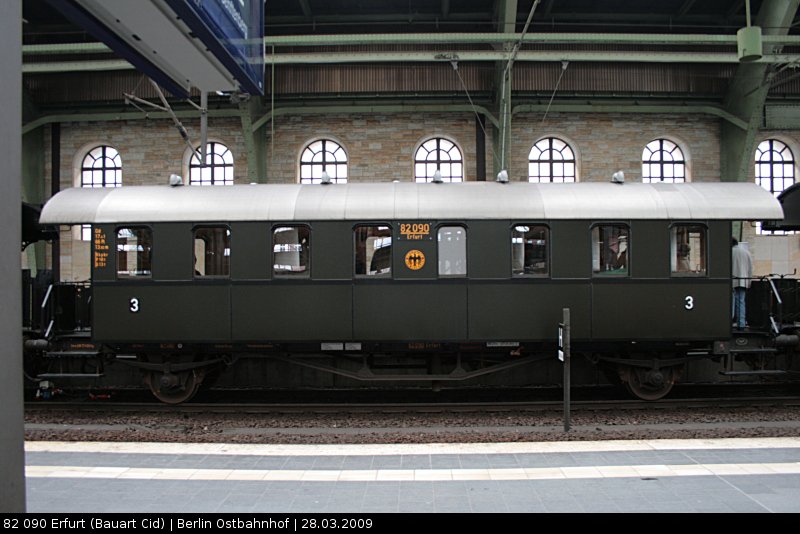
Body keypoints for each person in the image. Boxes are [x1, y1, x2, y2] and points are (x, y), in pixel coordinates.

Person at [731, 238, 753, 328]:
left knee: (730, 302)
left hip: (731, 281)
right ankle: (741, 323)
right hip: (743, 280)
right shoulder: (746, 252)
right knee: (741, 302)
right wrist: (749, 281)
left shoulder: (729, 252)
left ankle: (729, 322)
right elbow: (750, 268)